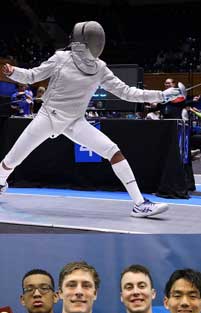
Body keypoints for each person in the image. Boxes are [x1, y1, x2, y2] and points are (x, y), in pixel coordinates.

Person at [0, 21, 177, 217]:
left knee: (113, 151)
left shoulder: (100, 68)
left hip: (75, 122)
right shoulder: (61, 58)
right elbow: (33, 75)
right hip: (48, 116)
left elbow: (127, 92)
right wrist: (13, 72)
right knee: (11, 161)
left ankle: (140, 203)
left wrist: (162, 95)